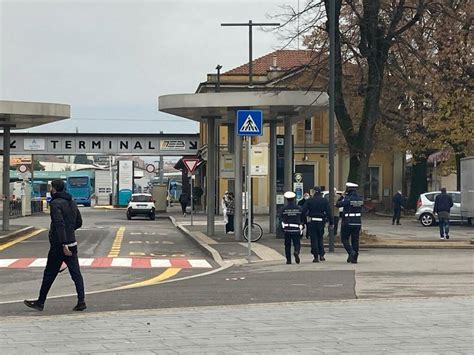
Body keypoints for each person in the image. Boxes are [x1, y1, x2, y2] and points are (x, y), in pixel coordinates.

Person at [24, 179, 86, 312]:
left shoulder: (55, 203)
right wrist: (70, 234)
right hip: (72, 243)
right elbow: (79, 222)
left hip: (59, 245)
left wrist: (64, 243)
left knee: (49, 274)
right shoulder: (72, 202)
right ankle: (81, 301)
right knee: (76, 274)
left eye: (51, 187)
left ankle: (40, 302)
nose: (50, 190)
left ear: (55, 189)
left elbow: (59, 224)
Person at [301, 186, 333, 262]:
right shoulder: (324, 201)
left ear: (314, 192)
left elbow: (303, 211)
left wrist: (302, 221)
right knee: (320, 238)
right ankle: (321, 255)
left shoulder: (309, 200)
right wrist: (331, 222)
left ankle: (315, 256)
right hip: (321, 221)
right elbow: (329, 212)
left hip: (312, 221)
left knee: (313, 239)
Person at [336, 182, 363, 264]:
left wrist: (342, 196)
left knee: (344, 238)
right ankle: (354, 258)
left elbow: (338, 204)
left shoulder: (348, 198)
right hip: (358, 222)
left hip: (348, 221)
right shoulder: (360, 198)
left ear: (348, 189)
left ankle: (351, 252)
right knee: (355, 240)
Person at [279, 191, 303, 264]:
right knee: (297, 243)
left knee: (287, 245)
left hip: (287, 229)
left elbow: (280, 219)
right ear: (294, 199)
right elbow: (302, 218)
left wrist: (282, 229)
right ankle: (296, 251)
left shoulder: (283, 209)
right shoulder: (299, 208)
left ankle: (288, 260)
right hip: (296, 229)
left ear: (287, 199)